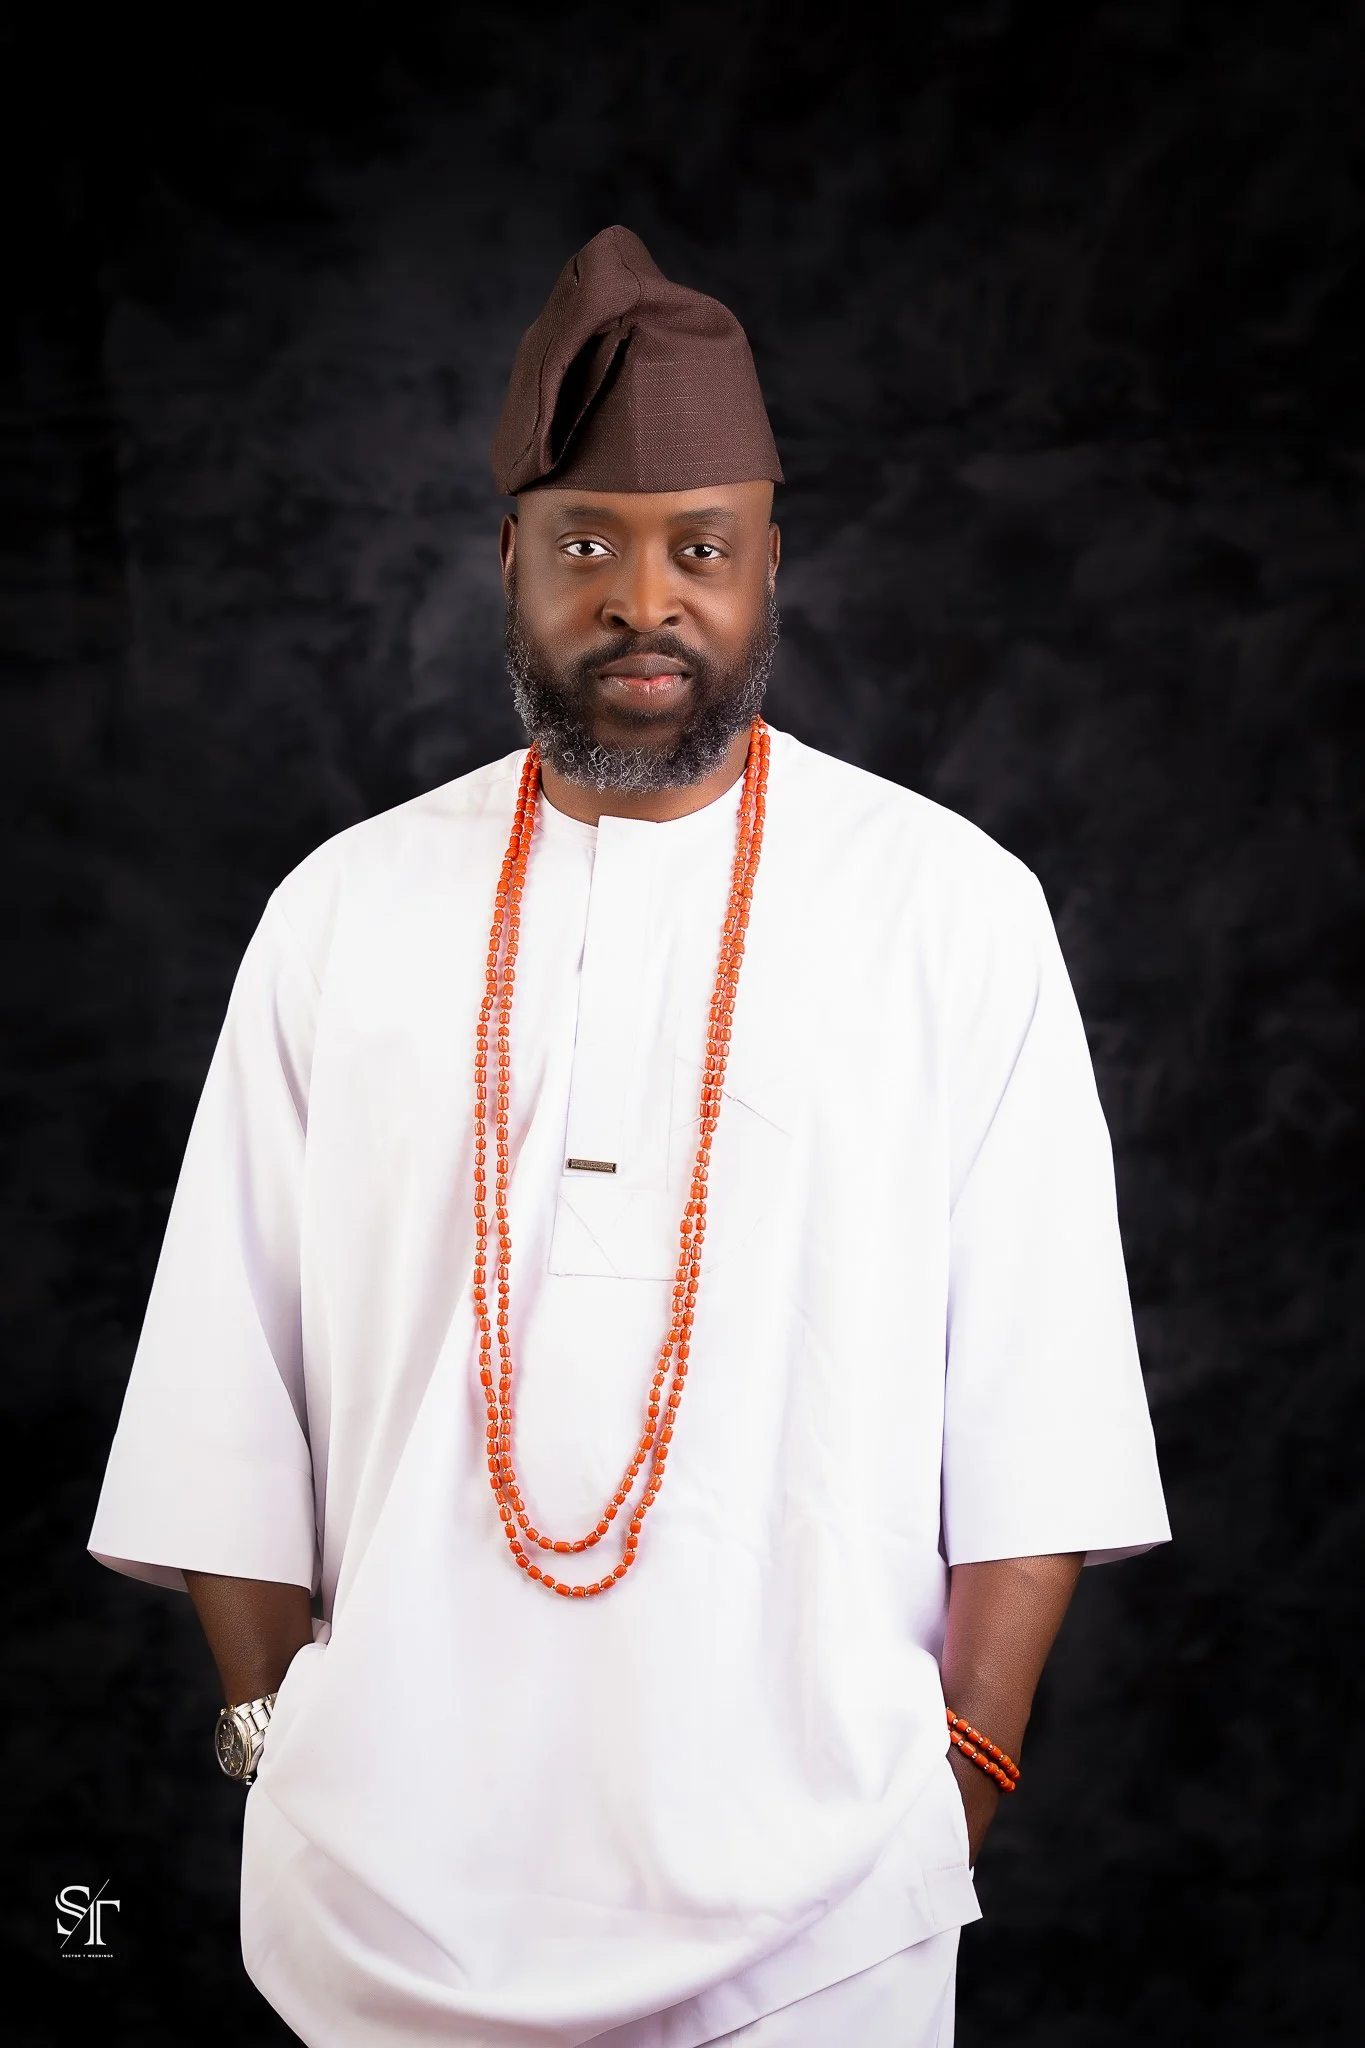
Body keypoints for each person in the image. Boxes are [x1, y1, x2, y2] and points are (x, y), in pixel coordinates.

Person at [88, 225, 1170, 2047]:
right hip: (392, 1902)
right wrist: (288, 1754)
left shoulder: (950, 910)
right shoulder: (344, 912)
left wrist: (962, 1769)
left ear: (769, 569)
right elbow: (219, 1388)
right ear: (507, 559)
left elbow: (1041, 1407)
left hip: (830, 1905)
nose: (642, 600)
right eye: (585, 541)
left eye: (700, 549)